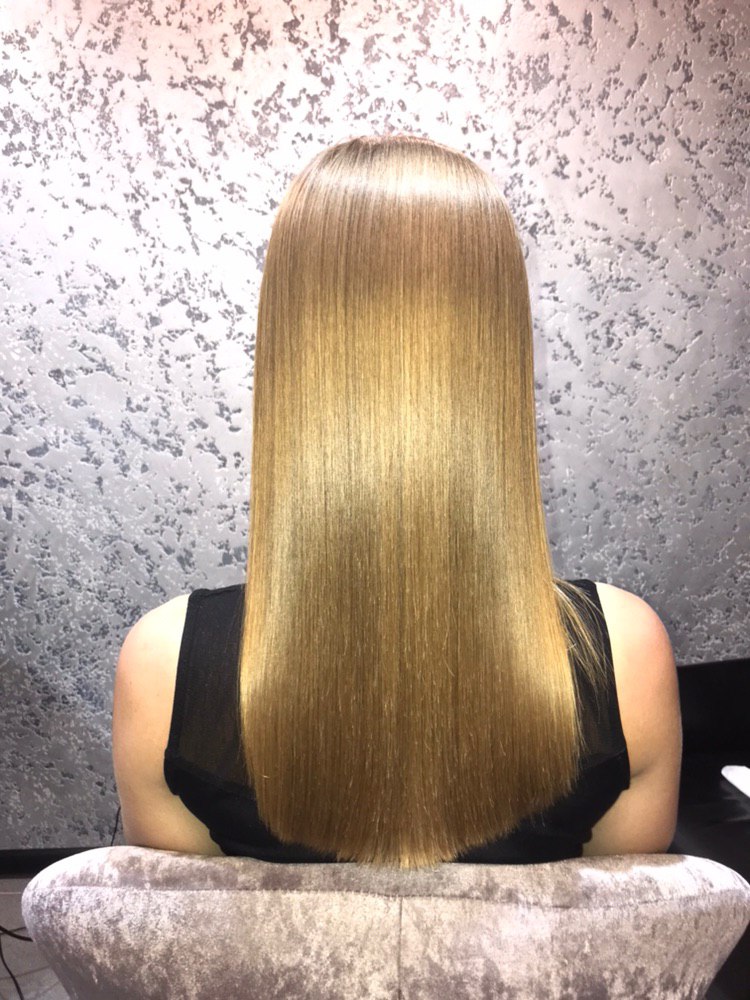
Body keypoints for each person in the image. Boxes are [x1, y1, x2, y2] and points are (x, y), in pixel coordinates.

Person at [112, 133, 682, 869]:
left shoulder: (163, 670)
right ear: (501, 338)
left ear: (287, 336)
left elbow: (196, 919)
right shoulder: (627, 657)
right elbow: (624, 915)